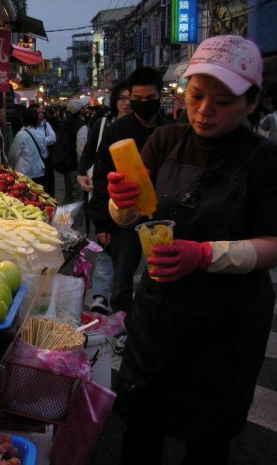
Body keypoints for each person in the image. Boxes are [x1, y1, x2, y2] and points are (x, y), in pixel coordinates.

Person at [108, 35, 277, 465]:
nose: (203, 111)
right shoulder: (164, 140)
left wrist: (202, 255)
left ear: (252, 102)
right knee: (141, 428)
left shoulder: (265, 161)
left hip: (227, 325)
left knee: (208, 440)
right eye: (196, 96)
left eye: (222, 101)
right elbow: (133, 219)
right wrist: (120, 202)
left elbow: (273, 245)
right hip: (159, 312)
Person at [89, 67, 172, 322]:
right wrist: (102, 221)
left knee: (163, 276)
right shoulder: (117, 131)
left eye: (150, 99)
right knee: (122, 278)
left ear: (159, 96)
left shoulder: (172, 130)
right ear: (129, 98)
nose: (144, 104)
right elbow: (102, 177)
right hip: (125, 219)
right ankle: (123, 324)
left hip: (162, 218)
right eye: (138, 99)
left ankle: (155, 322)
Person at [77, 81, 132, 313]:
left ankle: (122, 303)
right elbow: (89, 153)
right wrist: (81, 173)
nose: (127, 103)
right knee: (105, 246)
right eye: (122, 98)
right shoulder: (102, 124)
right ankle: (100, 296)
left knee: (127, 253)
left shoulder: (145, 127)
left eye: (132, 98)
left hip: (133, 200)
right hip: (104, 195)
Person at [57, 96, 90, 206]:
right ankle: (76, 222)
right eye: (84, 108)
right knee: (78, 198)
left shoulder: (65, 123)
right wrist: (83, 168)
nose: (86, 109)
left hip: (67, 165)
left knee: (69, 194)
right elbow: (81, 150)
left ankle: (63, 220)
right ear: (80, 111)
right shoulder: (81, 127)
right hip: (76, 167)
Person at [7, 107, 46, 185]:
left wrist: (11, 165)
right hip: (38, 171)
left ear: (23, 120)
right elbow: (43, 151)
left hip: (23, 172)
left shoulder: (21, 134)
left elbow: (13, 155)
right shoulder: (41, 133)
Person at [29, 103, 57, 197]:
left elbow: (53, 138)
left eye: (42, 112)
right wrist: (43, 139)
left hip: (45, 161)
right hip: (33, 162)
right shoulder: (27, 128)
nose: (41, 115)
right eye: (39, 113)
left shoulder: (46, 125)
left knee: (48, 186)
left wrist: (41, 140)